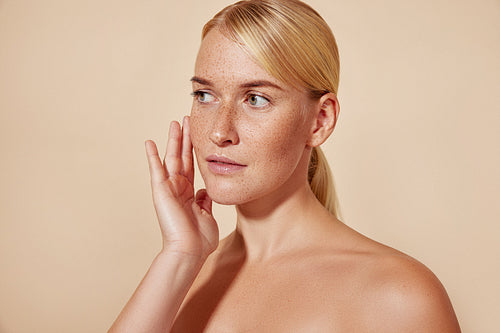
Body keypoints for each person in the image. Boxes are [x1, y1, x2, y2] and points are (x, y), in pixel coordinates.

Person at [109, 0, 461, 331]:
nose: (219, 131)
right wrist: (180, 254)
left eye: (256, 99)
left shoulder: (399, 298)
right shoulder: (181, 277)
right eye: (205, 95)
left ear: (320, 121)